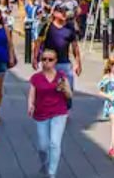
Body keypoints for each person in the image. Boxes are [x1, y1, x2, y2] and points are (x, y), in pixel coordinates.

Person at [28, 49, 71, 178]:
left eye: (50, 59)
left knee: (54, 143)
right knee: (42, 146)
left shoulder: (61, 76)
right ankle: (44, 163)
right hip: (41, 113)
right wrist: (30, 105)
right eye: (44, 59)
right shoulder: (36, 78)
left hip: (59, 112)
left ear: (55, 61)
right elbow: (31, 94)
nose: (46, 62)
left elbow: (70, 95)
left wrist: (64, 89)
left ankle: (52, 173)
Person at [35, 6, 81, 89]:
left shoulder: (69, 27)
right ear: (55, 14)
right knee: (49, 89)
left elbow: (75, 46)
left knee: (67, 90)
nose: (64, 14)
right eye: (61, 11)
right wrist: (35, 58)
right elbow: (38, 42)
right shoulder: (48, 26)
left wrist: (78, 63)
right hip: (49, 63)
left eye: (65, 11)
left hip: (65, 63)